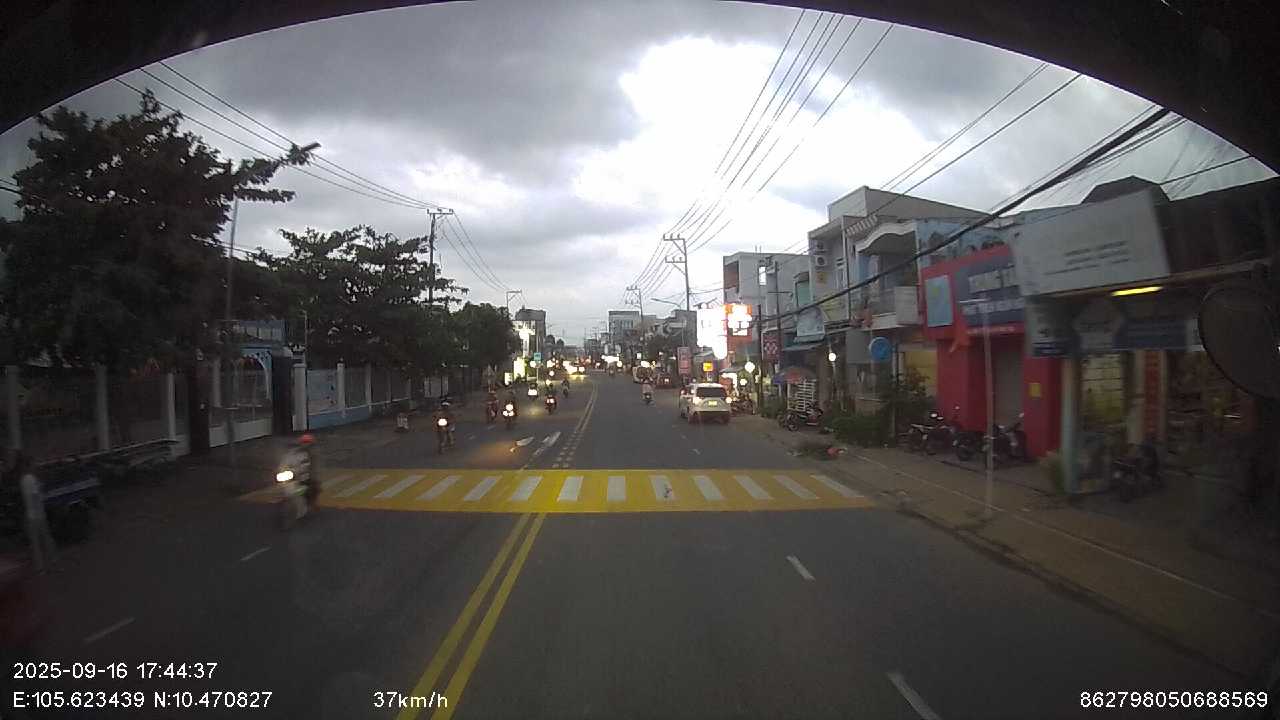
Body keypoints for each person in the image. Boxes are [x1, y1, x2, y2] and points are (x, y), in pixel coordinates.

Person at [9, 451, 56, 573]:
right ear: (29, 465)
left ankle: (40, 568)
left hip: (30, 515)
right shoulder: (30, 479)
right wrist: (41, 493)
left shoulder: (23, 479)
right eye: (33, 464)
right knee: (46, 540)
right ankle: (52, 563)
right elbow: (35, 496)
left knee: (36, 544)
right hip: (37, 515)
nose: (35, 466)